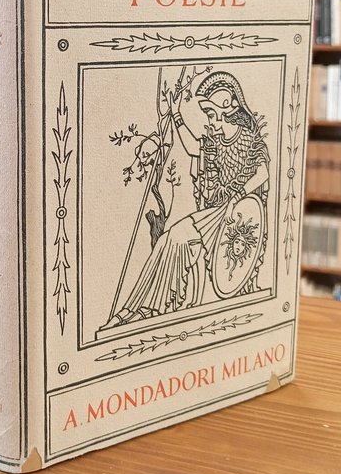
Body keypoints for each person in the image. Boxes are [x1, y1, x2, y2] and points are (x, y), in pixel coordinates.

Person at [102, 71, 270, 328]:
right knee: (166, 239)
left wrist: (237, 195)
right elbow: (193, 147)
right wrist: (176, 115)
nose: (209, 121)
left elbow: (262, 173)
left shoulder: (249, 139)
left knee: (177, 237)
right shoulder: (216, 143)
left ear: (227, 107)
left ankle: (153, 307)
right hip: (217, 213)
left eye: (211, 114)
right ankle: (135, 308)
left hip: (236, 216)